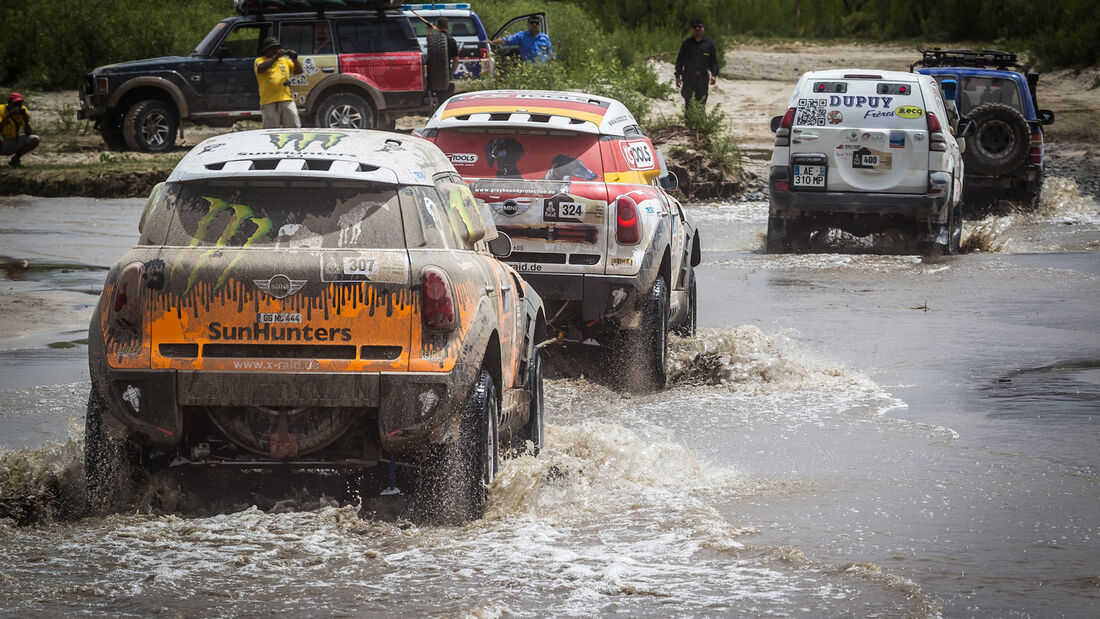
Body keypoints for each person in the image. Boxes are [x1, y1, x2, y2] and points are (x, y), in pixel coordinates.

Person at [255, 36, 303, 129]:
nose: (276, 50)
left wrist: (295, 59)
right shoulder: (260, 60)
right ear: (266, 50)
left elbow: (299, 71)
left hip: (286, 99)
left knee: (294, 128)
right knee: (271, 131)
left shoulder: (284, 60)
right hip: (269, 101)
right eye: (273, 48)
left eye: (277, 48)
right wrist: (275, 57)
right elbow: (261, 69)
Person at [674, 19, 719, 112]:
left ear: (703, 28)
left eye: (700, 26)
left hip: (702, 76)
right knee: (688, 101)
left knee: (702, 101)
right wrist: (677, 76)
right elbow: (680, 61)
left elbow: (713, 61)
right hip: (688, 76)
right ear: (692, 29)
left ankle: (700, 123)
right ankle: (689, 123)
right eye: (695, 27)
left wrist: (714, 75)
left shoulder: (709, 44)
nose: (697, 28)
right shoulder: (686, 44)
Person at [0, 92, 39, 168]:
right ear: (9, 103)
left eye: (20, 103)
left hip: (14, 140)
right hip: (2, 141)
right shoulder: (1, 109)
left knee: (35, 139)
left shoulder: (23, 110)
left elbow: (28, 133)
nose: (18, 106)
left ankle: (15, 160)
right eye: (15, 104)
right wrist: (9, 115)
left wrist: (26, 120)